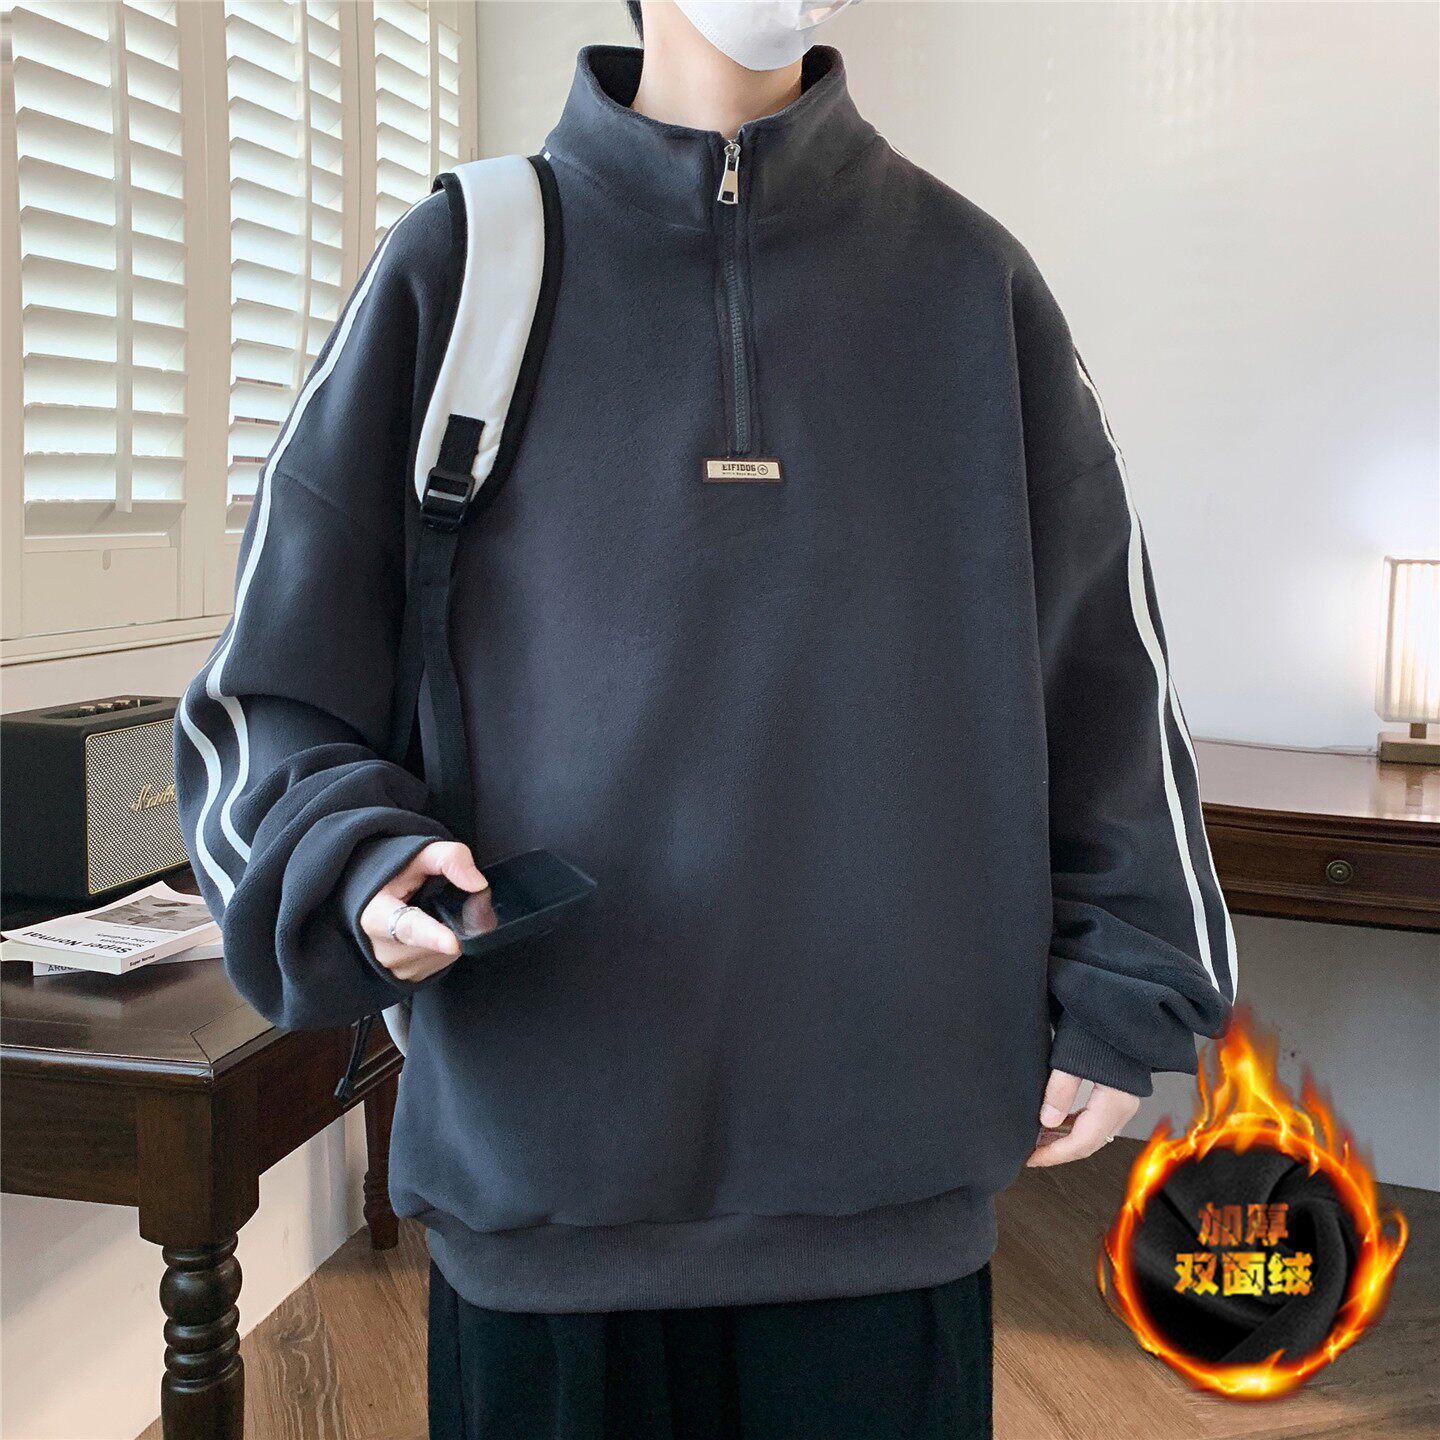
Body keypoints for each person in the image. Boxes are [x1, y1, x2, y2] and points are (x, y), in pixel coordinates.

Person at [175, 3, 1237, 1436]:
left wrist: (1124, 985)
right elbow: (267, 694)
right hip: (546, 1185)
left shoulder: (970, 281)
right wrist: (361, 860)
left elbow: (1105, 676)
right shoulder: (462, 262)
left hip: (889, 1193)